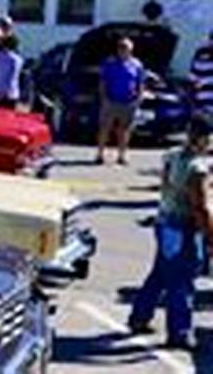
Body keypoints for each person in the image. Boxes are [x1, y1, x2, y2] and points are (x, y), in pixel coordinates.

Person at [127, 117, 213, 350]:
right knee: (183, 281)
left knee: (161, 273)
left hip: (165, 220)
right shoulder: (198, 169)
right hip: (184, 227)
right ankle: (180, 332)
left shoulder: (172, 156)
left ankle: (139, 317)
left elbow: (165, 186)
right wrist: (209, 236)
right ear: (204, 138)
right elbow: (200, 206)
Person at [98, 36, 146, 165]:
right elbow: (103, 82)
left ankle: (122, 156)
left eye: (126, 48)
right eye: (121, 47)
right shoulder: (109, 63)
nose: (123, 50)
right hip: (111, 101)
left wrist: (139, 98)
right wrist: (104, 98)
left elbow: (140, 83)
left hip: (129, 102)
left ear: (131, 50)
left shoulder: (137, 64)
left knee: (124, 130)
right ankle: (100, 154)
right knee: (105, 128)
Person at [189, 30, 213, 117]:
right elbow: (193, 79)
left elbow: (193, 79)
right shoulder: (202, 51)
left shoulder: (201, 50)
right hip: (202, 106)